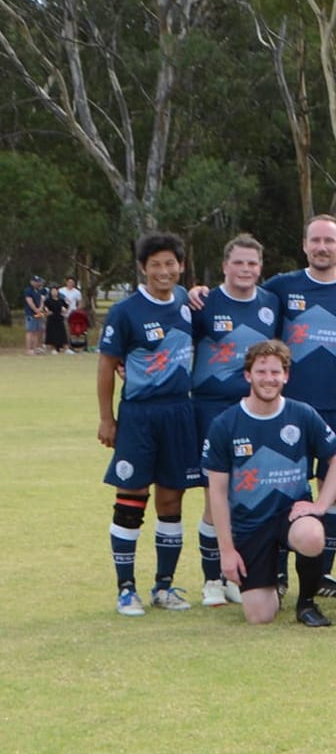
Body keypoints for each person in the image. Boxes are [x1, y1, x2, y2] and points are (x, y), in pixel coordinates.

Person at [262, 214, 336, 599]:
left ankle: (323, 575)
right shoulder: (281, 287)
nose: (322, 248)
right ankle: (276, 575)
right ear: (304, 245)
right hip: (287, 410)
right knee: (283, 488)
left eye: (329, 241)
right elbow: (242, 303)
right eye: (315, 240)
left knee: (334, 488)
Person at [201, 339, 336, 627]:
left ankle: (306, 603)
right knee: (260, 616)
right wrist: (227, 551)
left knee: (312, 535)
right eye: (261, 371)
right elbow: (217, 495)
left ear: (286, 376)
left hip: (290, 515)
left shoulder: (302, 414)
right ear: (248, 376)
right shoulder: (225, 424)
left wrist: (319, 505)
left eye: (275, 372)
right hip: (250, 524)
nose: (269, 379)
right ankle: (271, 581)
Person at [97, 234, 202, 615]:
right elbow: (107, 365)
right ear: (143, 268)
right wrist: (107, 418)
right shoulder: (126, 312)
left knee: (172, 499)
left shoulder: (187, 303)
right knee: (131, 496)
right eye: (155, 264)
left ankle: (164, 587)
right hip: (139, 414)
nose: (163, 271)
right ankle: (126, 589)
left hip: (179, 412)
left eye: (170, 264)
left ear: (181, 266)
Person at [189, 233, 282, 606]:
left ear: (261, 269)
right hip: (212, 407)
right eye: (238, 263)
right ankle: (212, 579)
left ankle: (236, 576)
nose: (245, 270)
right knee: (216, 496)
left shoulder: (271, 303)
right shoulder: (203, 303)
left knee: (250, 491)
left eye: (253, 264)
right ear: (225, 266)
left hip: (257, 409)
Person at [22, 275, 50, 355]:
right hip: (30, 314)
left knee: (37, 331)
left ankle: (35, 348)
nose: (38, 283)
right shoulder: (28, 290)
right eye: (36, 282)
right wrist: (35, 309)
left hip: (38, 313)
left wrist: (40, 308)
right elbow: (29, 301)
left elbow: (42, 300)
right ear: (32, 282)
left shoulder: (38, 290)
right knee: (30, 331)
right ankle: (29, 349)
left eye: (39, 282)